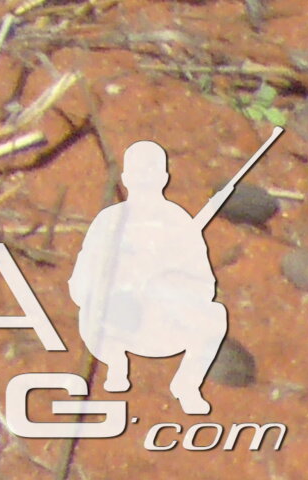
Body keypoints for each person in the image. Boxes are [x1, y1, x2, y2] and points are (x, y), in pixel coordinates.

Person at [68, 142, 233, 415]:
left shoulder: (179, 223)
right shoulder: (110, 220)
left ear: (164, 177)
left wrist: (168, 277)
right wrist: (120, 276)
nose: (145, 178)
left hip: (162, 322)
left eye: (152, 171)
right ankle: (116, 365)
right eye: (138, 171)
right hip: (115, 321)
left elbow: (204, 285)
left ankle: (187, 384)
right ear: (126, 178)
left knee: (215, 316)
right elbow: (81, 280)